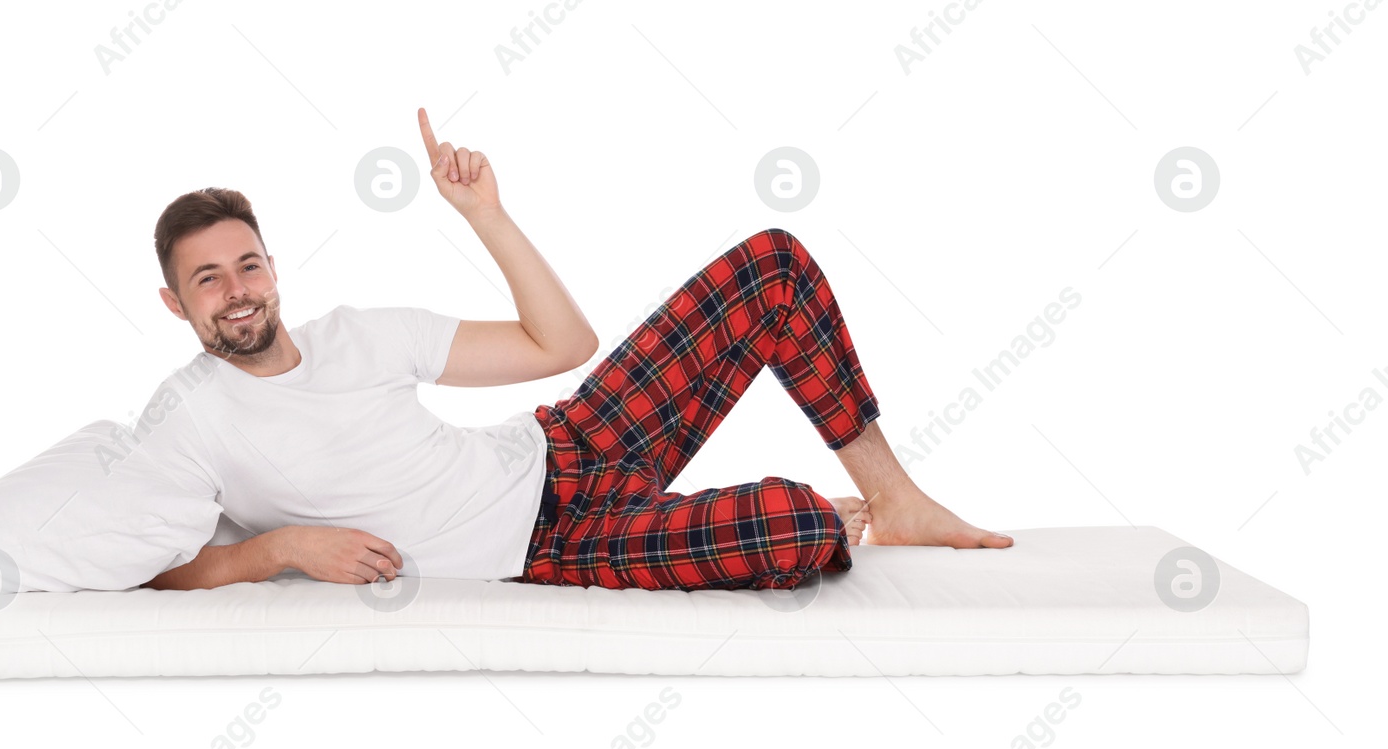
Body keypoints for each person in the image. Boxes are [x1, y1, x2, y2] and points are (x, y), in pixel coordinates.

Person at [141, 107, 1012, 594]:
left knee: (772, 267)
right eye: (210, 279)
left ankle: (893, 497)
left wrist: (485, 216)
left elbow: (564, 344)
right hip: (558, 545)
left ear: (274, 269)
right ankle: (821, 514)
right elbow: (158, 565)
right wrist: (286, 545)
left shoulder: (360, 335)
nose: (239, 289)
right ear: (176, 305)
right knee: (792, 527)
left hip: (569, 442)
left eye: (247, 263)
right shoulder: (187, 419)